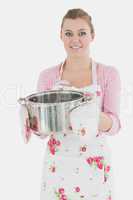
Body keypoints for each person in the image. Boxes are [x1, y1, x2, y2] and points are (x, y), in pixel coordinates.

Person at [37, 8, 121, 200]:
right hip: (58, 167)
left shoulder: (108, 74)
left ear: (92, 35)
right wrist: (32, 118)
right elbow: (42, 133)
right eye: (68, 33)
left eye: (82, 33)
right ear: (61, 36)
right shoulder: (48, 77)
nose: (75, 40)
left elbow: (115, 125)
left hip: (95, 166)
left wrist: (93, 117)